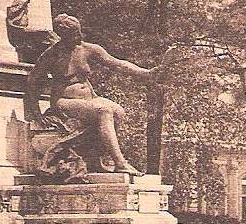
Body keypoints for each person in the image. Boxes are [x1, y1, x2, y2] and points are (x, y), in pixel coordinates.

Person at [24, 15, 159, 175]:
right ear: (63, 35)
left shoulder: (89, 49)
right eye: (73, 34)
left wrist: (145, 73)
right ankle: (120, 163)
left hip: (89, 98)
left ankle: (97, 158)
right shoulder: (52, 55)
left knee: (118, 111)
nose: (78, 37)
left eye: (78, 32)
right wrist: (37, 113)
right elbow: (33, 82)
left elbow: (117, 63)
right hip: (64, 101)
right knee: (104, 111)